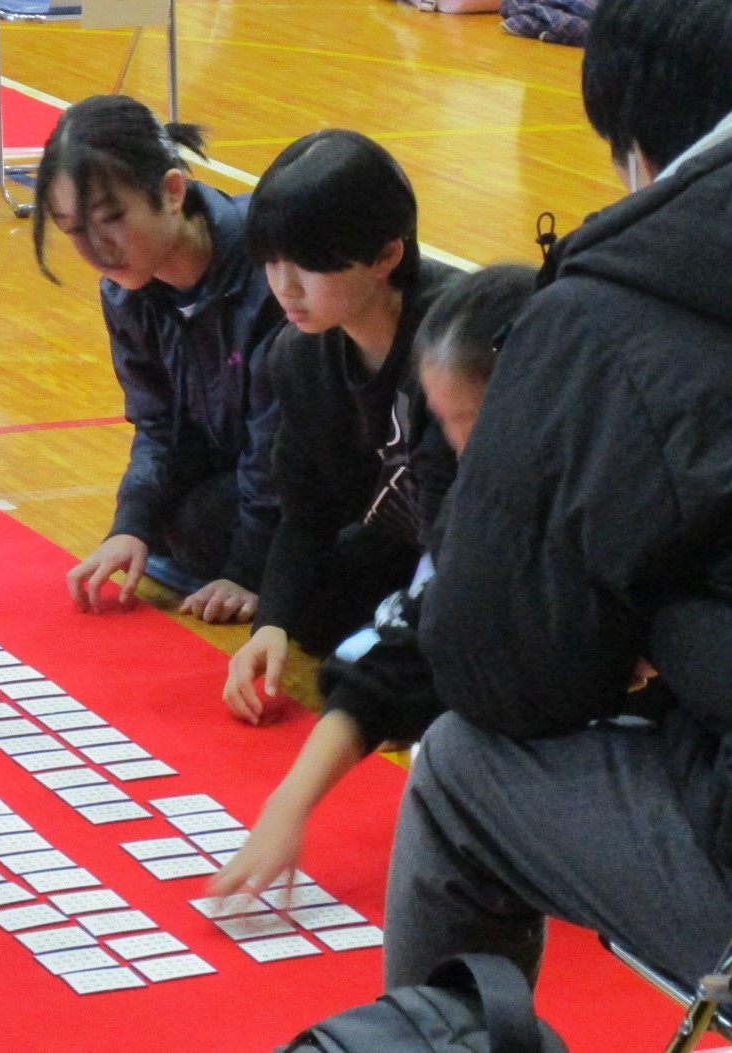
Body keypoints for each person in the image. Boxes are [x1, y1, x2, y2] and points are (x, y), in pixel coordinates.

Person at [383, 0, 732, 992]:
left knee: (458, 769)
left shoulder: (613, 310)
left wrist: (654, 629)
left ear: (631, 145)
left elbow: (498, 668)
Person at [210, 264, 536, 896]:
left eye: (466, 420)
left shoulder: (627, 499)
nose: (457, 447)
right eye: (440, 424)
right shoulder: (480, 492)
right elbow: (421, 627)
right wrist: (289, 805)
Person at [221, 130, 457, 724]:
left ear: (387, 256)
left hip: (479, 560)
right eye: (272, 262)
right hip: (401, 542)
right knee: (311, 611)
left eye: (309, 265)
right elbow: (304, 517)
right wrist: (268, 625)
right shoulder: (297, 359)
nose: (285, 286)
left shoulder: (462, 341)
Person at [31, 95, 286, 622]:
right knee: (175, 522)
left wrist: (246, 573)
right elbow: (158, 424)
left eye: (112, 219)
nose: (95, 249)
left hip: (318, 481)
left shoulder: (273, 275)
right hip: (235, 469)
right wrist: (131, 525)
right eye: (73, 230)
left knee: (207, 523)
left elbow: (283, 445)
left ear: (173, 192)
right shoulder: (125, 293)